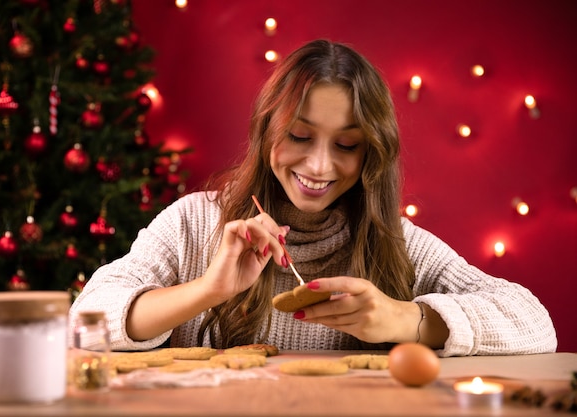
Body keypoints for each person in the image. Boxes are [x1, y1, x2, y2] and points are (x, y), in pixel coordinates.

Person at [69, 39, 557, 357]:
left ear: (372, 153)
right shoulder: (194, 223)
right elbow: (86, 321)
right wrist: (208, 290)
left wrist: (404, 317)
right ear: (266, 133)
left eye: (346, 145)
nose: (320, 167)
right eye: (299, 137)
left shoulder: (398, 243)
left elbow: (535, 324)